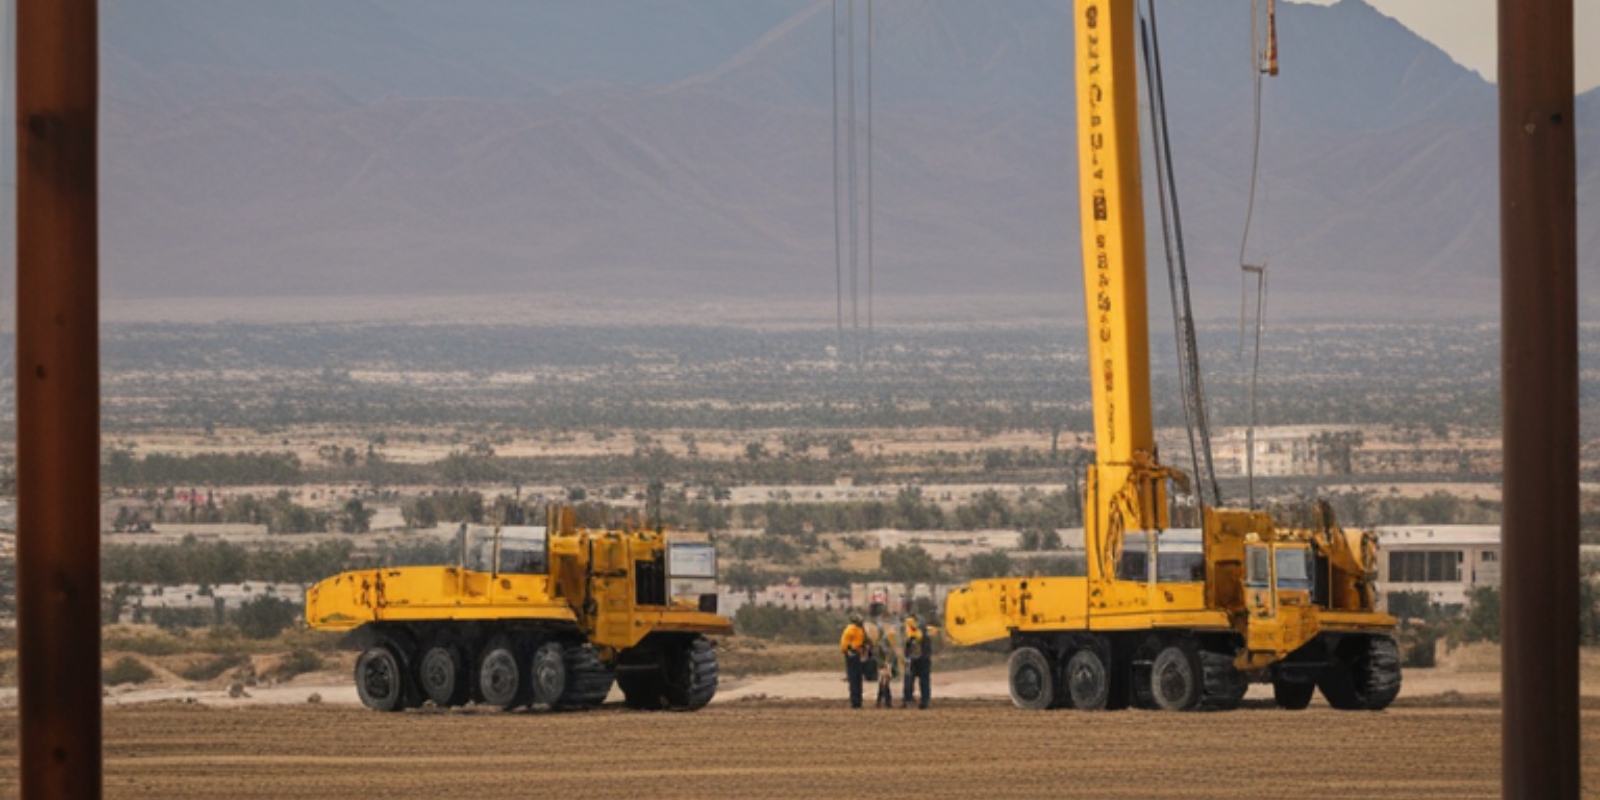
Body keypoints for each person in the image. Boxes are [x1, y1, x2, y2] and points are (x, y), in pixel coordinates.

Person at [902, 613, 932, 709]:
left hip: (914, 659)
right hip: (921, 658)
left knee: (910, 680)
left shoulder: (910, 632)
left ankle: (908, 700)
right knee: (923, 681)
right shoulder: (924, 632)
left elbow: (907, 646)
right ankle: (924, 701)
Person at [840, 613, 869, 709]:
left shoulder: (849, 629)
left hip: (851, 655)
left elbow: (844, 645)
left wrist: (845, 652)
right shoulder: (861, 630)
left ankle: (854, 701)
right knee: (858, 678)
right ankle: (858, 700)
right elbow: (866, 642)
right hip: (859, 655)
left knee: (853, 678)